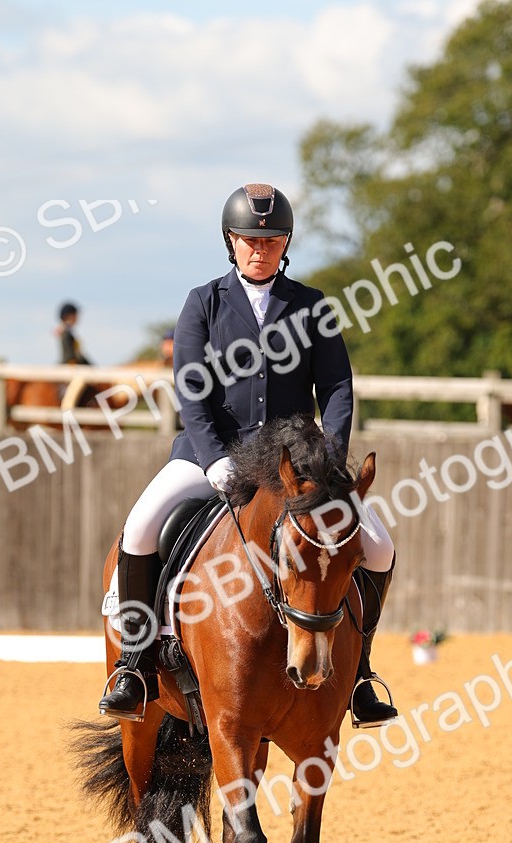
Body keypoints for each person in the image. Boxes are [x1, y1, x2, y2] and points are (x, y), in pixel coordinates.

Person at [99, 183, 397, 727]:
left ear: (286, 243)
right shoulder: (203, 303)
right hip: (210, 455)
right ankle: (135, 666)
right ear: (230, 242)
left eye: (272, 238)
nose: (260, 248)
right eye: (249, 239)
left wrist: (328, 461)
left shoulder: (310, 306)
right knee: (140, 528)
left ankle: (360, 676)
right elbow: (192, 389)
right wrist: (214, 457)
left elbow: (336, 387)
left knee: (378, 546)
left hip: (294, 463)